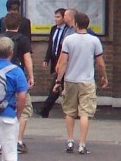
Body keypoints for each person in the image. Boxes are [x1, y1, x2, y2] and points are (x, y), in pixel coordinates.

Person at [54, 11, 108, 155]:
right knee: (85, 113)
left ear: (76, 24)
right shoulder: (94, 41)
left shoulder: (68, 40)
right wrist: (104, 77)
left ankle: (70, 141)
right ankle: (82, 144)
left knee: (69, 112)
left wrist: (58, 81)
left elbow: (63, 63)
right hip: (87, 81)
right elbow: (100, 63)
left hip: (70, 80)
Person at [0, 13, 34, 154]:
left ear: (4, 24)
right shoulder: (23, 39)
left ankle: (2, 141)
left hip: (0, 78)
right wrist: (31, 76)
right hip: (17, 76)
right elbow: (27, 59)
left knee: (1, 106)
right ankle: (18, 141)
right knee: (24, 108)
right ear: (19, 25)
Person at [40, 9, 69, 117]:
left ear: (64, 18)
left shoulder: (68, 30)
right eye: (55, 17)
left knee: (56, 86)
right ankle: (45, 110)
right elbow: (51, 45)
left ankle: (44, 110)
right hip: (55, 59)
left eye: (58, 17)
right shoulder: (53, 29)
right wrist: (46, 60)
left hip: (63, 61)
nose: (56, 19)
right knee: (58, 86)